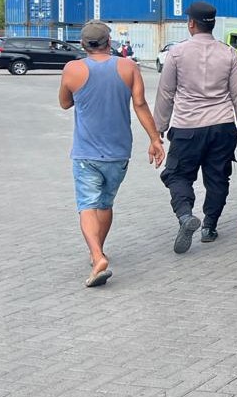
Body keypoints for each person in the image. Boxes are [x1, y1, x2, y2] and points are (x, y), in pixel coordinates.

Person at [58, 20, 165, 287]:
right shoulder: (129, 67)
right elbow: (140, 104)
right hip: (118, 152)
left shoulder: (72, 69)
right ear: (109, 42)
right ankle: (99, 251)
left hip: (86, 152)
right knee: (105, 203)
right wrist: (155, 139)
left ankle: (97, 256)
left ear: (83, 44)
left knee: (87, 205)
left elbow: (64, 102)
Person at [155, 1, 237, 253]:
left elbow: (166, 93)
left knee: (177, 175)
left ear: (191, 24)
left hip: (187, 127)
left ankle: (185, 215)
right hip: (222, 127)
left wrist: (159, 127)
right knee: (218, 178)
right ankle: (209, 226)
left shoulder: (176, 54)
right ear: (213, 24)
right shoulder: (229, 54)